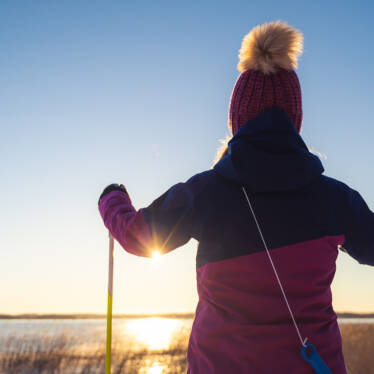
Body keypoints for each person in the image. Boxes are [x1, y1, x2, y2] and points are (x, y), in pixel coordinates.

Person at [98, 21, 373, 373]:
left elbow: (139, 236)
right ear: (295, 120)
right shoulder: (335, 199)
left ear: (236, 120)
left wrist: (112, 200)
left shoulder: (204, 193)